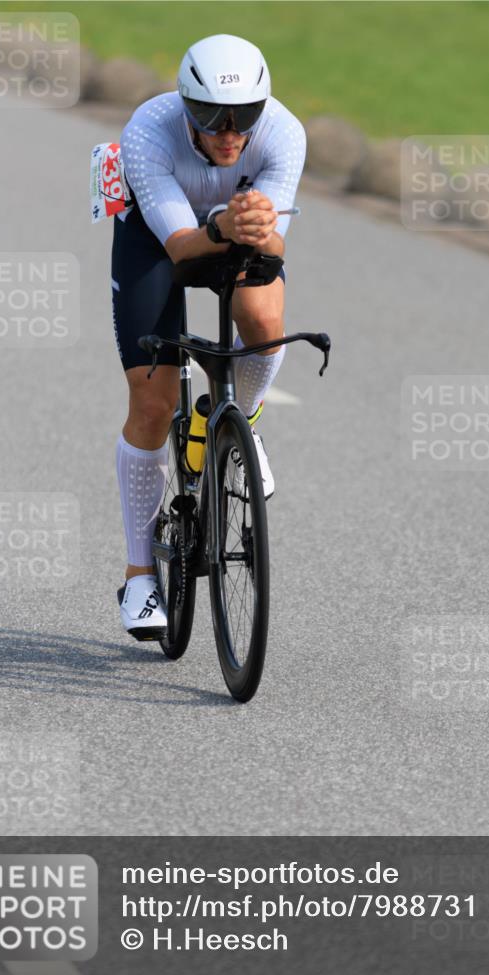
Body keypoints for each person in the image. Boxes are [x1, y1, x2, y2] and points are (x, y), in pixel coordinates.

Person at [112, 33, 306, 640]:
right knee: (152, 402)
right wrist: (223, 221)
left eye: (243, 118)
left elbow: (273, 245)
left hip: (237, 228)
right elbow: (180, 248)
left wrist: (255, 229)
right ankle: (140, 574)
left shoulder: (284, 133)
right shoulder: (149, 129)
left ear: (262, 110)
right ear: (185, 106)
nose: (228, 133)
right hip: (155, 234)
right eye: (212, 119)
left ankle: (236, 425)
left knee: (265, 324)